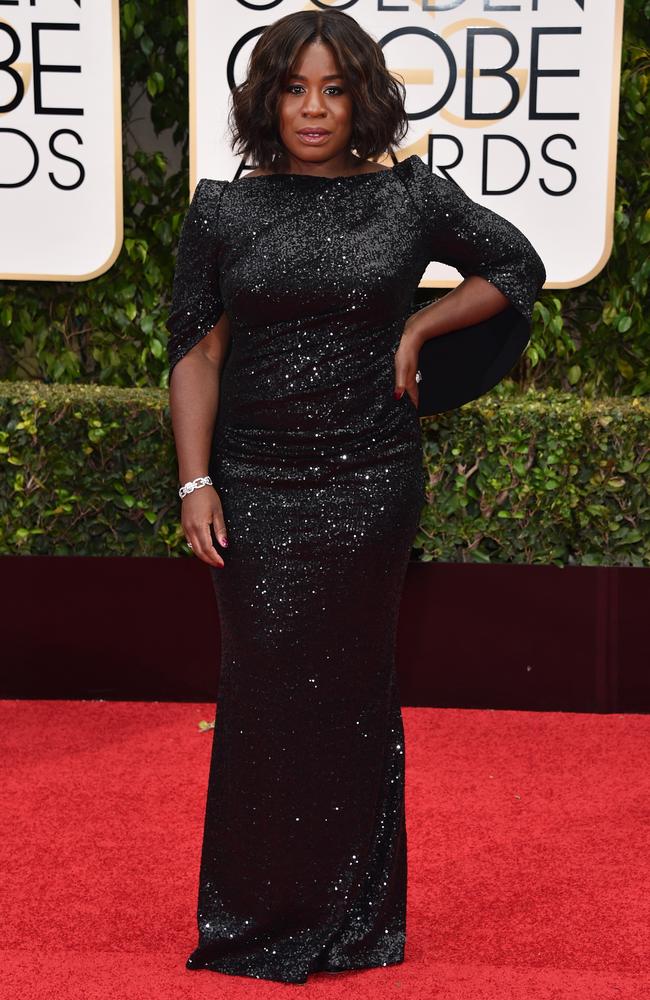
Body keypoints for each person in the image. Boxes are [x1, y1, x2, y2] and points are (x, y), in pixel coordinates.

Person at [165, 8, 546, 986]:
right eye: (293, 88)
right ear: (265, 99)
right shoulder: (221, 209)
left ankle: (354, 919)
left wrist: (418, 329)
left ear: (363, 98)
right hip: (254, 481)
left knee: (350, 693)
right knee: (258, 690)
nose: (312, 108)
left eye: (334, 89)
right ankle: (252, 917)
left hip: (368, 483)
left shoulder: (407, 198)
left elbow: (512, 266)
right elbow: (196, 353)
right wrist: (195, 480)